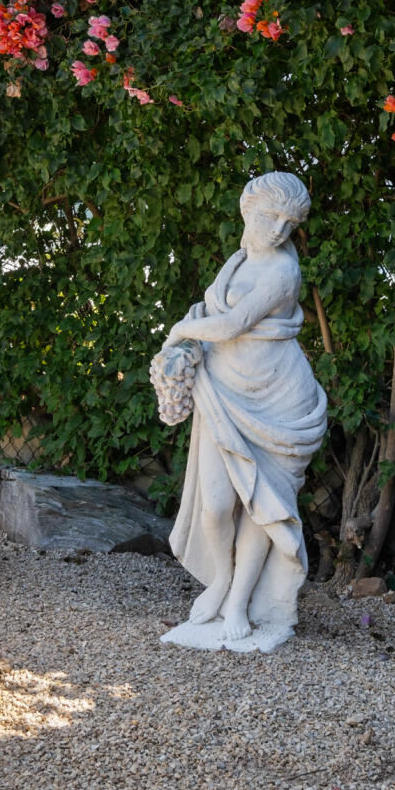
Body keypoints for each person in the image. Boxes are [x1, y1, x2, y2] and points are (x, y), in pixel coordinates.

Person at [156, 171, 328, 653]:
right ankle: (221, 580)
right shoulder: (237, 259)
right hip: (225, 389)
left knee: (261, 504)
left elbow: (232, 323)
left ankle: (239, 601)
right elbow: (218, 310)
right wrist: (194, 321)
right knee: (215, 504)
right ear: (247, 206)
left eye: (289, 223)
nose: (278, 229)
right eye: (270, 215)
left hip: (277, 399)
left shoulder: (282, 271)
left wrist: (181, 330)